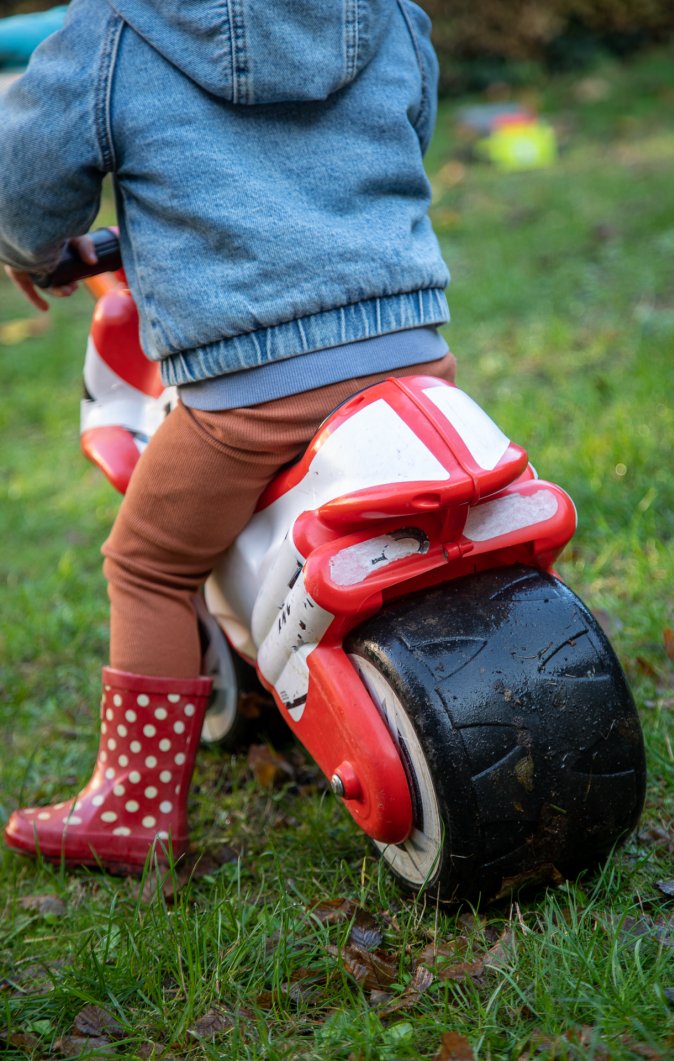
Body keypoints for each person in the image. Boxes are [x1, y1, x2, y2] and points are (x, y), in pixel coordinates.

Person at [0, 0, 453, 871]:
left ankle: (132, 811)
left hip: (248, 380)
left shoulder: (117, 26)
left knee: (148, 563)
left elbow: (24, 180)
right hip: (412, 350)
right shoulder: (388, 8)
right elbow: (412, 125)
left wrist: (31, 246)